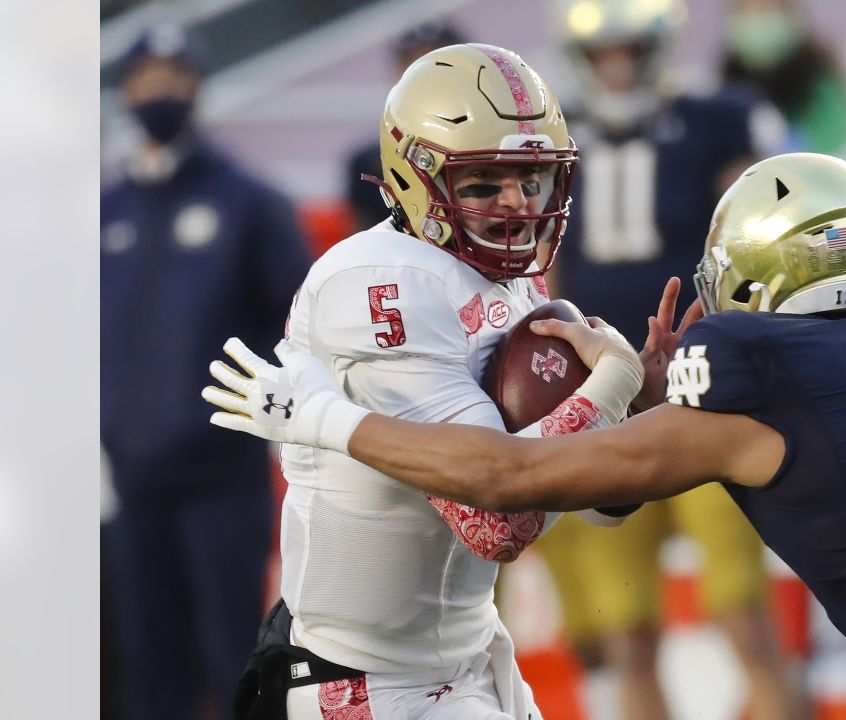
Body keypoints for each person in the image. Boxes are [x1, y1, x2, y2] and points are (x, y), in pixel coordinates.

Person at [205, 152, 846, 720]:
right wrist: (650, 398)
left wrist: (320, 417)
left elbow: (506, 480)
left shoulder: (760, 370)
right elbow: (628, 486)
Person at [213, 43, 674, 720]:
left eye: (533, 179)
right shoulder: (378, 283)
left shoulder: (508, 276)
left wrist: (635, 411)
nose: (517, 205)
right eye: (485, 182)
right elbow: (495, 522)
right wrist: (606, 388)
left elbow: (595, 502)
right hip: (369, 683)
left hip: (466, 659)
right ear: (414, 177)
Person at [544, 2, 802, 717]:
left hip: (702, 393)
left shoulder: (718, 118)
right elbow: (548, 262)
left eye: (629, 50)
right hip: (606, 403)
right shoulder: (556, 132)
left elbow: (760, 231)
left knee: (743, 619)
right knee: (627, 638)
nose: (618, 67)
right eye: (605, 54)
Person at [100, 24, 312, 720]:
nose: (158, 93)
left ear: (196, 85)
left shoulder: (249, 201)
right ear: (125, 90)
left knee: (232, 664)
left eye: (173, 77)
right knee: (146, 672)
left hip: (223, 478)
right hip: (131, 482)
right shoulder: (108, 211)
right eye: (144, 80)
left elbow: (306, 328)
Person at [344, 20, 464, 231]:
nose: (418, 74)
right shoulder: (366, 160)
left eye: (432, 62)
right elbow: (362, 235)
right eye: (409, 63)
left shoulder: (495, 145)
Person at [720, 0, 846, 155]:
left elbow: (835, 147)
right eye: (746, 11)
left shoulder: (820, 80)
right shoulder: (726, 79)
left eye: (765, 11)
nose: (757, 21)